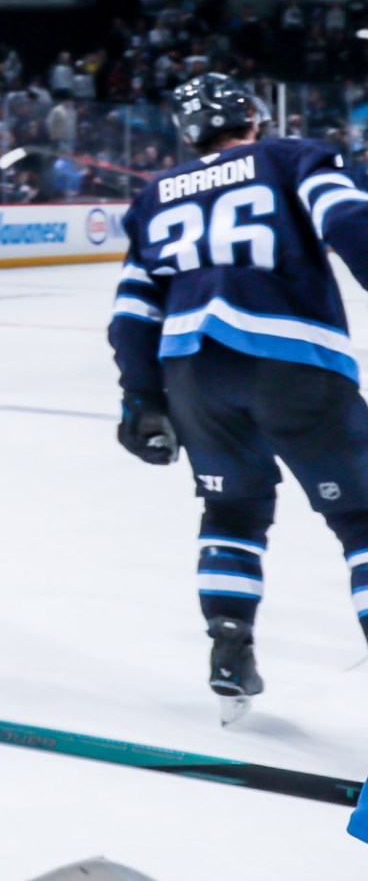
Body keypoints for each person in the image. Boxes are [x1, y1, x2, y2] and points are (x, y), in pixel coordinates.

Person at [111, 71, 368, 713]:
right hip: (289, 358)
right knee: (363, 518)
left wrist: (141, 399)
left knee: (232, 513)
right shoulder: (292, 155)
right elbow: (349, 220)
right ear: (254, 117)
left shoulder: (154, 196)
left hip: (192, 374)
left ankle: (230, 650)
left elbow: (133, 310)